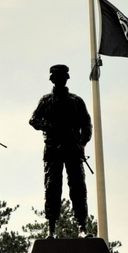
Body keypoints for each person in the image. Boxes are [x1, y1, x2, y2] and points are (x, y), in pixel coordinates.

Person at [28, 64, 92, 237]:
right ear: (52, 80)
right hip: (53, 150)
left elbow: (86, 125)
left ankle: (82, 226)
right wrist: (48, 127)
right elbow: (33, 120)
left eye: (62, 78)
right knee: (52, 188)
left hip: (72, 150)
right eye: (56, 78)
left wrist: (81, 143)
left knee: (78, 188)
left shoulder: (76, 101)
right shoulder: (46, 101)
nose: (59, 81)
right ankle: (51, 228)